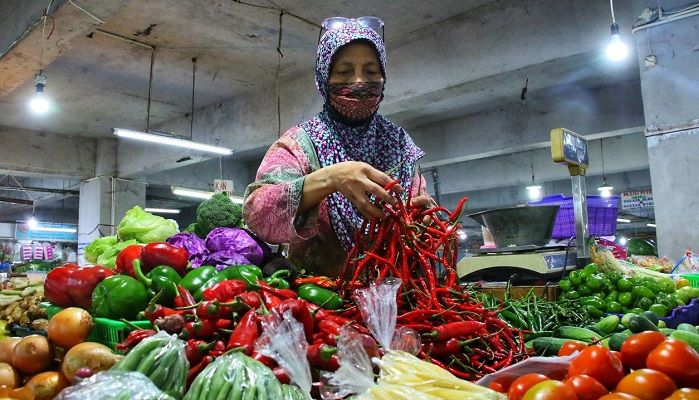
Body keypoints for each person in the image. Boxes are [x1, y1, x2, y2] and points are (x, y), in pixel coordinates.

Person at [244, 18, 430, 277]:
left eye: (371, 71)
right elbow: (259, 216)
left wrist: (426, 221)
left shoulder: (399, 145)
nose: (359, 82)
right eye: (343, 72)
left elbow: (421, 214)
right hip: (322, 302)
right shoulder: (299, 143)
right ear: (324, 77)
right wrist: (331, 178)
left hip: (398, 299)